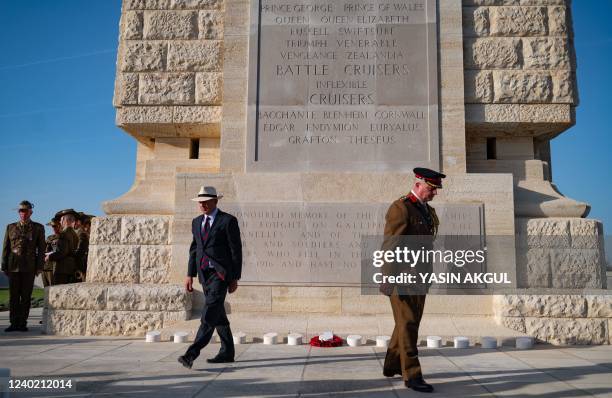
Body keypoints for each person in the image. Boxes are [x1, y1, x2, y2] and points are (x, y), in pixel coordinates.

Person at [380, 168, 445, 393]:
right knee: (408, 325)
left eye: (435, 190)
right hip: (402, 278)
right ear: (418, 184)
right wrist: (387, 277)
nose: (434, 193)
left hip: (419, 277)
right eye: (431, 188)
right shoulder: (401, 208)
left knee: (408, 323)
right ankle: (412, 376)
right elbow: (390, 244)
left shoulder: (426, 210)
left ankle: (391, 365)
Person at [178, 186, 242, 369]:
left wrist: (234, 277)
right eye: (200, 202)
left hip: (220, 275)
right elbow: (194, 250)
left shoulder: (228, 221)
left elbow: (235, 251)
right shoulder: (196, 222)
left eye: (206, 201)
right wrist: (190, 274)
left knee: (208, 314)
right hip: (204, 275)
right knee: (218, 314)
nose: (203, 205)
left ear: (215, 201)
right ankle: (227, 352)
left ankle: (191, 354)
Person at [1, 200, 45, 332]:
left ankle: (22, 323)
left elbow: (41, 249)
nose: (23, 213)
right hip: (13, 266)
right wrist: (4, 266)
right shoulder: (11, 227)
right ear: (18, 212)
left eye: (25, 211)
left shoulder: (38, 227)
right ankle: (13, 323)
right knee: (13, 296)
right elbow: (6, 248)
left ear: (30, 212)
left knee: (26, 296)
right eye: (21, 211)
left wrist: (39, 267)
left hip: (29, 266)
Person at [46, 209, 79, 285]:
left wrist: (49, 257)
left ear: (65, 220)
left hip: (62, 268)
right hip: (70, 267)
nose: (60, 222)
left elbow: (62, 252)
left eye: (61, 220)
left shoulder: (64, 233)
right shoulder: (74, 233)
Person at [42, 218, 61, 287]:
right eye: (52, 226)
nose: (53, 228)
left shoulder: (62, 237)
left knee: (53, 287)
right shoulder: (49, 237)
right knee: (46, 288)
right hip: (44, 266)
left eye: (55, 226)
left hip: (53, 267)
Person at [74, 212, 91, 282]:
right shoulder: (79, 233)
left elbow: (80, 251)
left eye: (75, 220)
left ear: (78, 222)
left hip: (80, 267)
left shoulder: (81, 234)